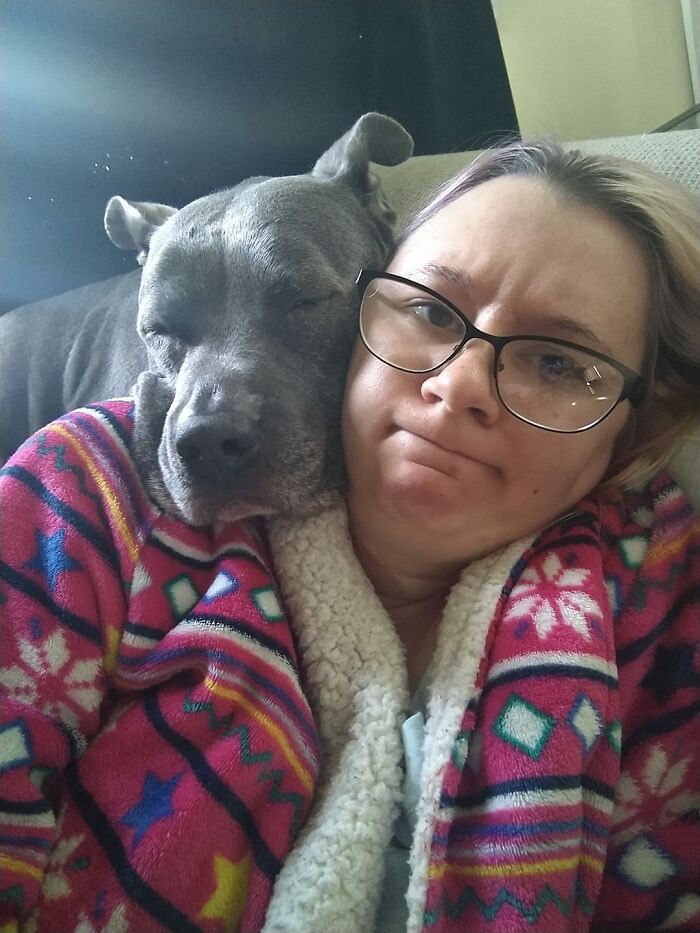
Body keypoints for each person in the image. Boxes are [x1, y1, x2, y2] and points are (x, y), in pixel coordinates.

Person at [1, 141, 699, 933]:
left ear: (634, 429)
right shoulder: (88, 495)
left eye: (557, 362)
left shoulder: (655, 620)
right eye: (432, 312)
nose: (458, 382)